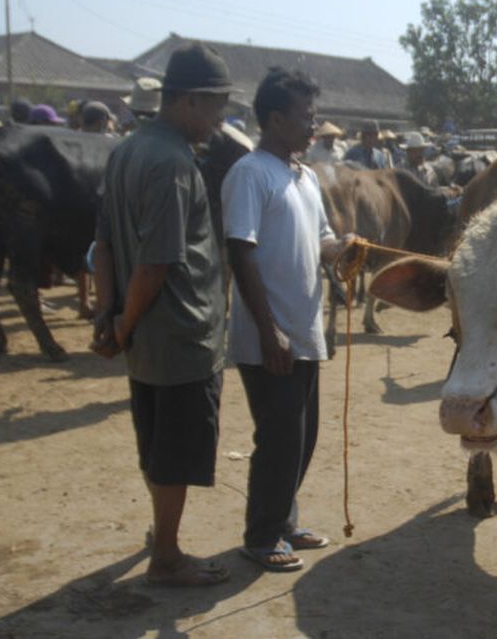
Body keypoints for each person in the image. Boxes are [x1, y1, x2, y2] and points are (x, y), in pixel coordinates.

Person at [91, 42, 234, 587]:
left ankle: (161, 533)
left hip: (144, 340)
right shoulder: (173, 163)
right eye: (217, 105)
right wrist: (122, 323)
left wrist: (110, 318)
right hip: (179, 334)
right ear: (191, 101)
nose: (220, 120)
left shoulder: (127, 151)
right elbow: (156, 261)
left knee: (154, 443)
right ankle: (169, 556)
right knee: (174, 452)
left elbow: (102, 243)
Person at [221, 66, 354, 571]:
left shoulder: (304, 176)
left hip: (304, 331)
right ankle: (260, 536)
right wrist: (268, 328)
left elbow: (320, 241)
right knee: (278, 438)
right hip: (269, 335)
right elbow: (241, 251)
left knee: (304, 436)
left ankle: (283, 519)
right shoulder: (250, 174)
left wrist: (341, 249)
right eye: (306, 116)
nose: (313, 125)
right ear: (275, 119)